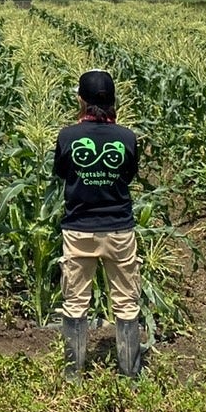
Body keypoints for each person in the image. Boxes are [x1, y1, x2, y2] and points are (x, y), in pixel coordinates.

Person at [51, 70, 142, 380]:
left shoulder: (67, 136)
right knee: (126, 302)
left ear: (82, 100)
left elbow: (63, 174)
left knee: (75, 301)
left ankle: (73, 374)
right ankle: (129, 375)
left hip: (79, 228)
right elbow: (128, 175)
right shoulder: (127, 137)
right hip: (119, 228)